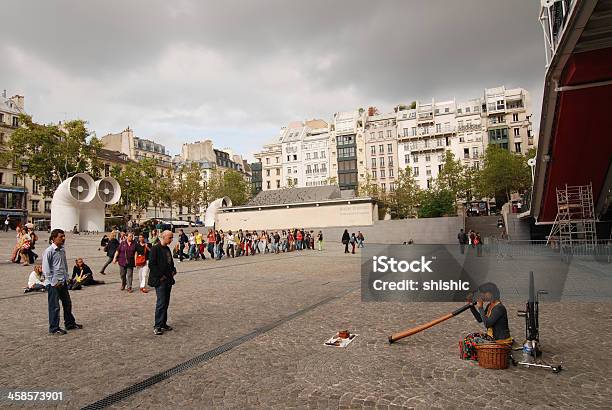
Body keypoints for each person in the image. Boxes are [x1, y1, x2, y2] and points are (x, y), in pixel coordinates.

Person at [43, 229, 82, 335]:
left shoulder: (62, 250)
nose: (63, 238)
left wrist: (67, 277)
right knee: (55, 306)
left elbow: (63, 265)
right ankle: (54, 328)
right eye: (61, 237)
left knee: (67, 303)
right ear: (53, 238)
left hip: (63, 281)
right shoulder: (49, 251)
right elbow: (46, 269)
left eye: (64, 236)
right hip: (53, 284)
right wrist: (54, 282)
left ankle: (69, 323)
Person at [461, 283, 512, 361]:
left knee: (470, 342)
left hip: (499, 341)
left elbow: (487, 324)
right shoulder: (490, 305)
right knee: (469, 337)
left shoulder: (499, 308)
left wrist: (480, 307)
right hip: (491, 337)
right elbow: (480, 319)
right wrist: (471, 306)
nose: (482, 296)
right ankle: (479, 355)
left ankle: (479, 356)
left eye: (483, 294)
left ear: (490, 293)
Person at [148, 230, 176, 335]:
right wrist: (161, 276)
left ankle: (163, 323)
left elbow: (170, 262)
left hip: (168, 279)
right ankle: (157, 325)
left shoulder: (167, 249)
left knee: (166, 303)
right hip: (160, 281)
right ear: (163, 237)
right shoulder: (155, 249)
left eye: (172, 237)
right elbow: (152, 265)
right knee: (161, 303)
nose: (171, 239)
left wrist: (173, 269)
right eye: (170, 238)